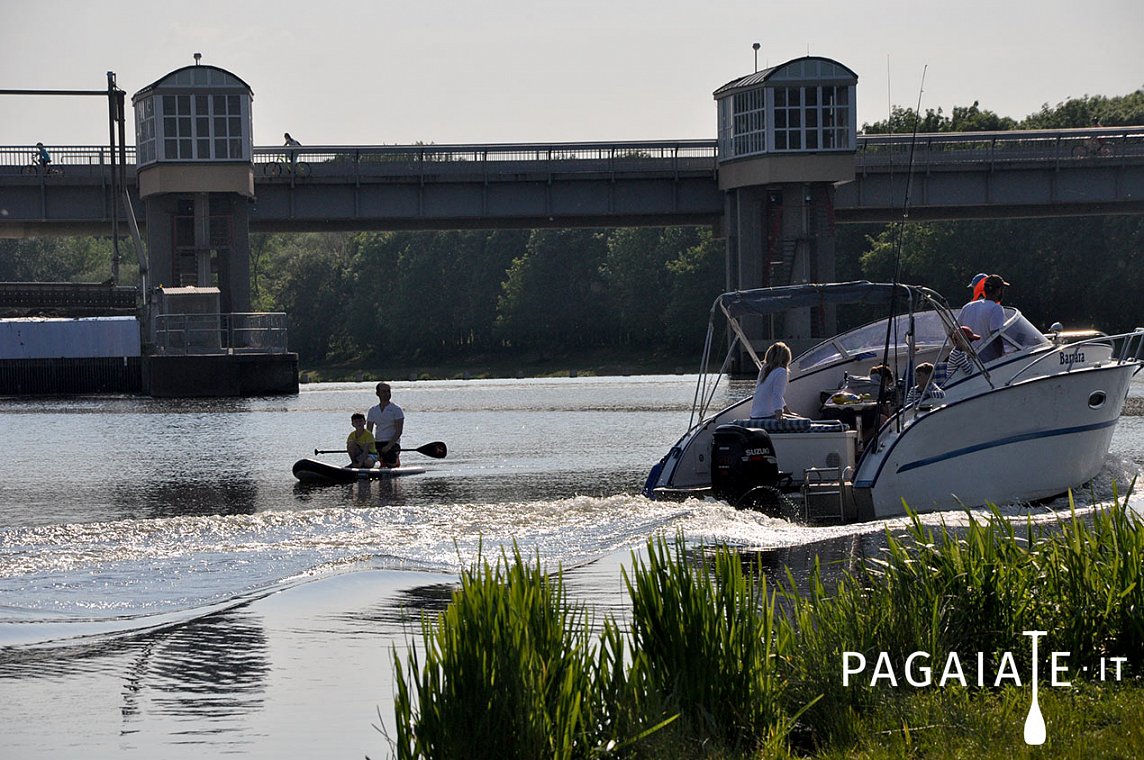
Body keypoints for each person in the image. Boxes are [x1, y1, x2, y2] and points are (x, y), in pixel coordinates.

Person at [958, 274, 1009, 362]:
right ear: (998, 291)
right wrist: (1001, 358)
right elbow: (996, 336)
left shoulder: (967, 307)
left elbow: (954, 331)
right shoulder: (996, 308)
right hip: (988, 363)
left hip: (969, 362)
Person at [749, 342, 800, 420]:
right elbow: (777, 395)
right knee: (804, 420)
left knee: (794, 417)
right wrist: (779, 416)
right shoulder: (781, 372)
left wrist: (787, 412)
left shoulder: (765, 368)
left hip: (754, 415)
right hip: (767, 416)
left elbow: (774, 393)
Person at [366, 381, 404, 467]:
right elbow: (368, 432)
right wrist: (368, 446)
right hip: (377, 443)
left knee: (389, 463)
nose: (387, 394)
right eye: (384, 392)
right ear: (377, 393)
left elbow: (399, 432)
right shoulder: (373, 410)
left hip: (393, 444)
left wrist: (388, 446)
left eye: (388, 391)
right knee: (367, 462)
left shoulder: (396, 410)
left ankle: (394, 461)